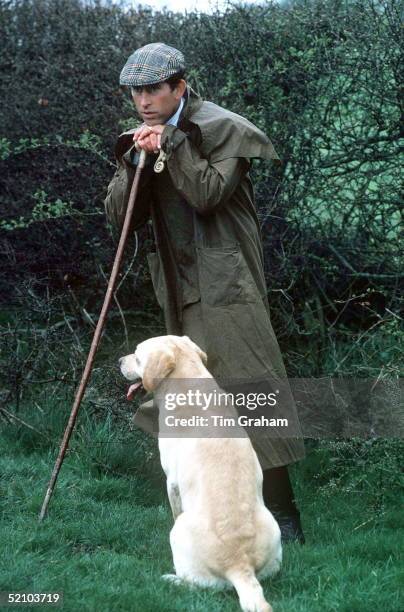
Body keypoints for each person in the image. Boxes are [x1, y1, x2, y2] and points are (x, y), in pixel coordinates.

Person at [104, 42, 306, 543]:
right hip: (179, 290)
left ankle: (284, 517)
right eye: (136, 92)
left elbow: (207, 195)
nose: (144, 101)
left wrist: (172, 146)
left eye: (154, 89)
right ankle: (208, 510)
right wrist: (134, 161)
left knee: (251, 390)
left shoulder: (222, 128)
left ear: (180, 85)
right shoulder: (143, 138)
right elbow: (117, 220)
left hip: (229, 286)